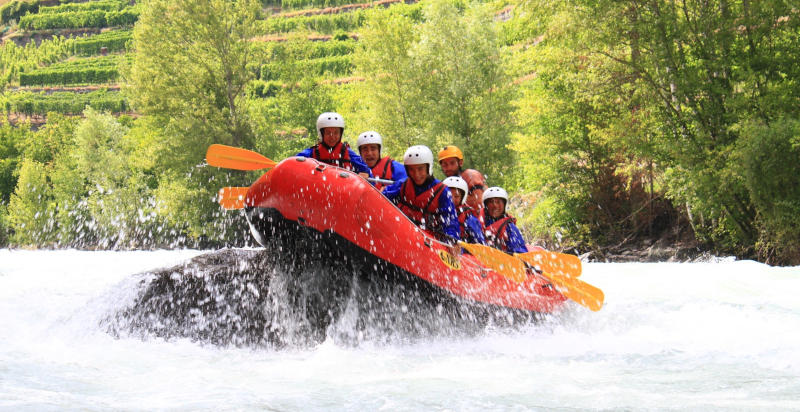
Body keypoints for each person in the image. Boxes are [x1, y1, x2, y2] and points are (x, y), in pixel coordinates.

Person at [383, 145, 460, 243]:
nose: (416, 174)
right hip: (401, 232)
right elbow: (381, 199)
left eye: (420, 169)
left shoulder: (442, 192)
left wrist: (452, 240)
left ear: (429, 167)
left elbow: (450, 222)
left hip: (428, 240)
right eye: (411, 169)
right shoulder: (402, 185)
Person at [296, 112, 372, 177]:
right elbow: (293, 162)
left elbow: (367, 172)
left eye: (336, 133)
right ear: (321, 134)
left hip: (342, 190)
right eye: (328, 133)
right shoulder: (311, 153)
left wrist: (366, 174)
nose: (332, 137)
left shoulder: (348, 153)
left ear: (340, 134)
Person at [438, 145, 486, 216]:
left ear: (460, 163)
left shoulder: (471, 176)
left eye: (452, 163)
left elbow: (479, 205)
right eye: (445, 165)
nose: (449, 168)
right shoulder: (444, 184)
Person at [481, 186, 528, 254]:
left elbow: (520, 251)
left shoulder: (510, 228)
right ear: (486, 205)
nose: (495, 206)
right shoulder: (476, 222)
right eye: (491, 202)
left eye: (498, 202)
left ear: (504, 205)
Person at [442, 176, 485, 245]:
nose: (451, 199)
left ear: (462, 198)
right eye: (449, 194)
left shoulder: (469, 219)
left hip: (458, 251)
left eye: (456, 196)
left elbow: (480, 243)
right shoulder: (436, 210)